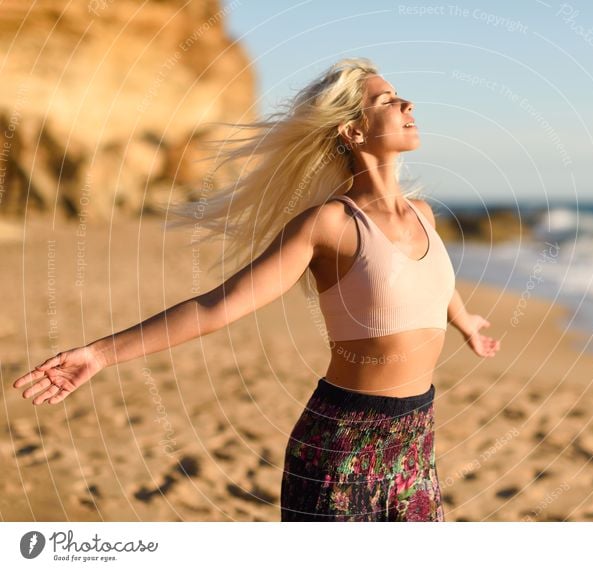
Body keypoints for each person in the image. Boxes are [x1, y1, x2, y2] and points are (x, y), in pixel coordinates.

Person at [12, 57, 500, 521]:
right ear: (352, 130)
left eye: (401, 97)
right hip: (343, 444)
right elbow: (216, 307)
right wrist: (100, 354)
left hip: (417, 439)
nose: (407, 105)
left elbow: (426, 281)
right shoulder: (328, 224)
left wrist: (465, 322)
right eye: (387, 100)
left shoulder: (423, 215)